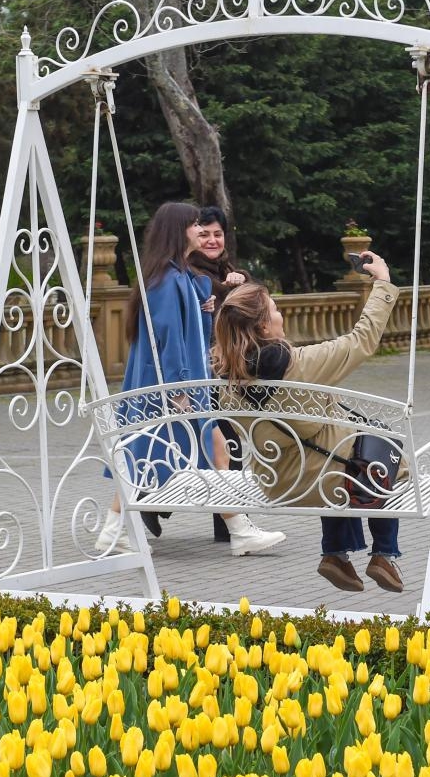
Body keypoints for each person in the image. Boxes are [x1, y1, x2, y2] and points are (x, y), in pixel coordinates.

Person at [95, 201, 286, 557]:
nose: (202, 231)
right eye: (195, 225)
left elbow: (191, 336)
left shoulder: (178, 276)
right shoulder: (166, 280)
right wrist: (179, 390)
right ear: (178, 230)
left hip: (182, 387)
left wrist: (203, 312)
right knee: (144, 459)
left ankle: (239, 530)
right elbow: (166, 339)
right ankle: (113, 530)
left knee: (206, 452)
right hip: (171, 389)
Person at [211, 252, 404, 592]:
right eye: (275, 310)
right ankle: (384, 554)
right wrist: (383, 283)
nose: (280, 315)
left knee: (333, 454)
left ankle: (337, 555)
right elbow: (362, 340)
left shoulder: (225, 379)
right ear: (262, 326)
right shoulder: (299, 365)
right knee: (382, 453)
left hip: (276, 483)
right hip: (324, 477)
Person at [188, 205, 249, 543]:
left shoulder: (223, 268)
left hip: (221, 370)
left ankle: (229, 523)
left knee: (217, 441)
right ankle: (232, 523)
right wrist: (232, 288)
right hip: (201, 371)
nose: (212, 240)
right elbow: (220, 301)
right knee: (223, 441)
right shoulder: (192, 272)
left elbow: (253, 298)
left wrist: (239, 281)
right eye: (205, 233)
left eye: (217, 234)